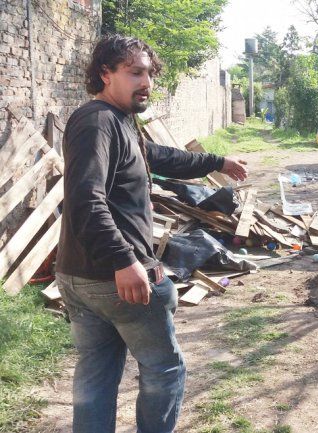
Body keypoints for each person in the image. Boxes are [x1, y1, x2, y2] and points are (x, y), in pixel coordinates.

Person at [55, 34, 247, 433]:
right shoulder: (97, 122)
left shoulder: (120, 122)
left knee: (97, 373)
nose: (146, 82)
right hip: (115, 276)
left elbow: (159, 157)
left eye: (149, 74)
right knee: (164, 367)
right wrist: (124, 261)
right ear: (105, 74)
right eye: (135, 72)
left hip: (81, 276)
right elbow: (85, 200)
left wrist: (218, 161)